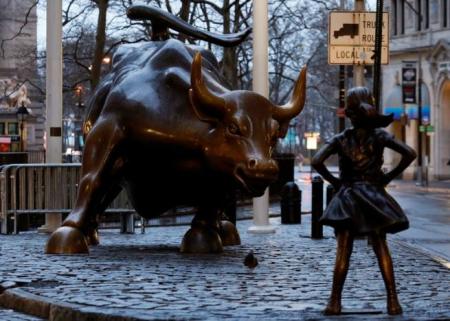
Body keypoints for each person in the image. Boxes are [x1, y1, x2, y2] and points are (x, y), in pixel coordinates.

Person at [312, 87, 417, 315]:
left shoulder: (341, 139)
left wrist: (336, 182)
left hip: (348, 196)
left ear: (350, 113)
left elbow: (317, 160)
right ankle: (393, 302)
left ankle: (334, 302)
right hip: (373, 196)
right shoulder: (379, 136)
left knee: (343, 250)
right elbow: (410, 153)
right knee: (381, 247)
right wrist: (387, 177)